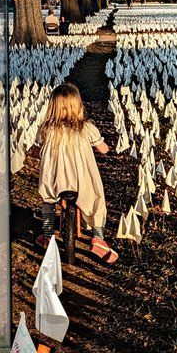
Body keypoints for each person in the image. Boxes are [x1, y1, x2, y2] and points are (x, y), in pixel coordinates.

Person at [36, 82, 117, 263]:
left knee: (47, 201)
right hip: (81, 181)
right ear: (78, 105)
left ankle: (48, 235)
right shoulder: (86, 128)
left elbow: (36, 150)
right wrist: (105, 147)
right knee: (96, 198)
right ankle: (98, 237)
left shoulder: (47, 129)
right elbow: (103, 149)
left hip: (55, 181)